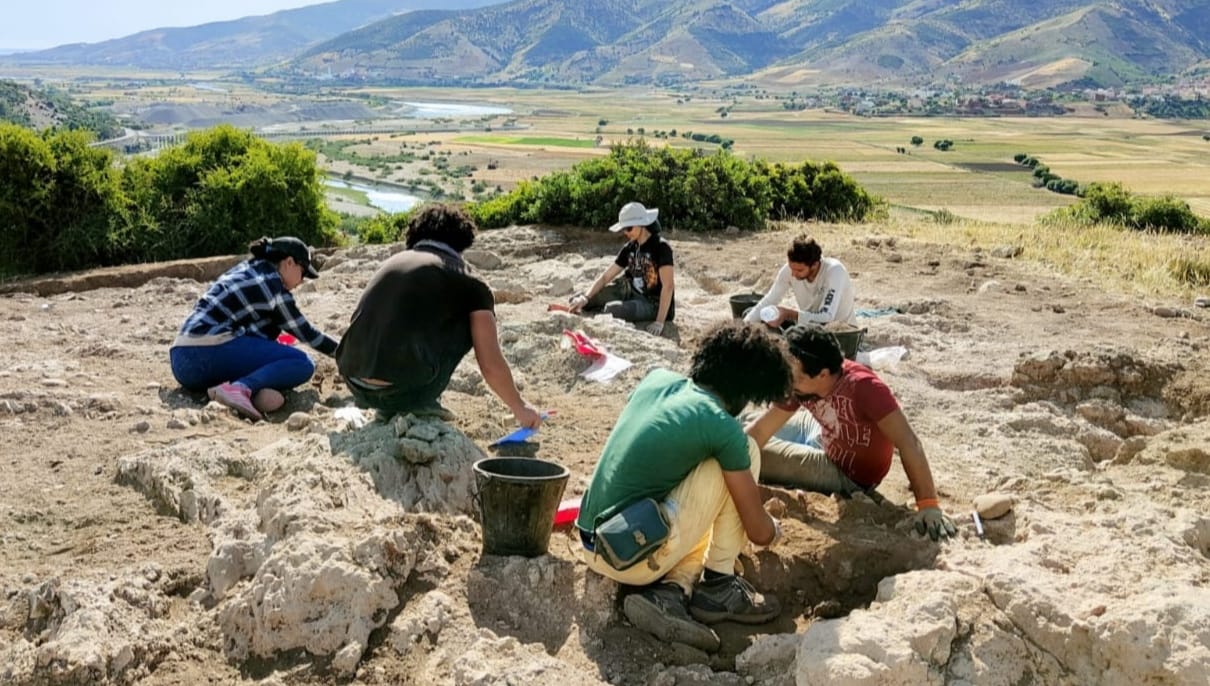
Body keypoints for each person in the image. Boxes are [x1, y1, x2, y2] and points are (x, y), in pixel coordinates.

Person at [576, 321, 788, 653]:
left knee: (711, 468)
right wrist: (773, 530)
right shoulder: (722, 427)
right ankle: (719, 585)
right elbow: (758, 532)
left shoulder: (658, 380)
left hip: (596, 540)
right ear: (747, 391)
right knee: (743, 452)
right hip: (630, 555)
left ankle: (670, 592)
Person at [335, 204, 541, 428]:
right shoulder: (469, 282)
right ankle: (419, 403)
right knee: (474, 315)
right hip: (401, 391)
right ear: (463, 242)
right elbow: (489, 363)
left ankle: (393, 403)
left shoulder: (392, 264)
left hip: (354, 382)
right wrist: (519, 407)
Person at [747, 324, 957, 541]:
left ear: (823, 374)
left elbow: (908, 441)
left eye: (796, 377)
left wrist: (928, 504)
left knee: (757, 455)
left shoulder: (865, 388)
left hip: (846, 472)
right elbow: (762, 428)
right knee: (741, 427)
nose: (790, 382)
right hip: (825, 431)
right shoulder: (802, 384)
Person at [170, 236, 337, 421]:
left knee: (274, 360)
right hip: (207, 351)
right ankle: (240, 388)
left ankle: (238, 392)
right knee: (302, 363)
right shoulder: (272, 285)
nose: (302, 280)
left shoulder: (249, 269)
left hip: (182, 362)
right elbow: (307, 333)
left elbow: (255, 332)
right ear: (289, 262)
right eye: (303, 272)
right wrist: (345, 353)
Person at [569, 201, 675, 336]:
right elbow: (606, 277)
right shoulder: (630, 247)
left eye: (629, 228)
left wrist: (659, 322)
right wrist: (585, 297)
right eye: (623, 229)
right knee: (577, 300)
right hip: (629, 290)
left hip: (652, 302)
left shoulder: (661, 247)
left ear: (642, 223)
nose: (625, 232)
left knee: (611, 310)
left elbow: (668, 286)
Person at [743, 235, 855, 330]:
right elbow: (770, 300)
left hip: (839, 332)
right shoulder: (790, 270)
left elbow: (826, 317)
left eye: (799, 271)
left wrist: (788, 313)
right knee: (753, 315)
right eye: (792, 269)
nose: (793, 274)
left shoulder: (834, 271)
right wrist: (744, 325)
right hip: (809, 326)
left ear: (815, 265)